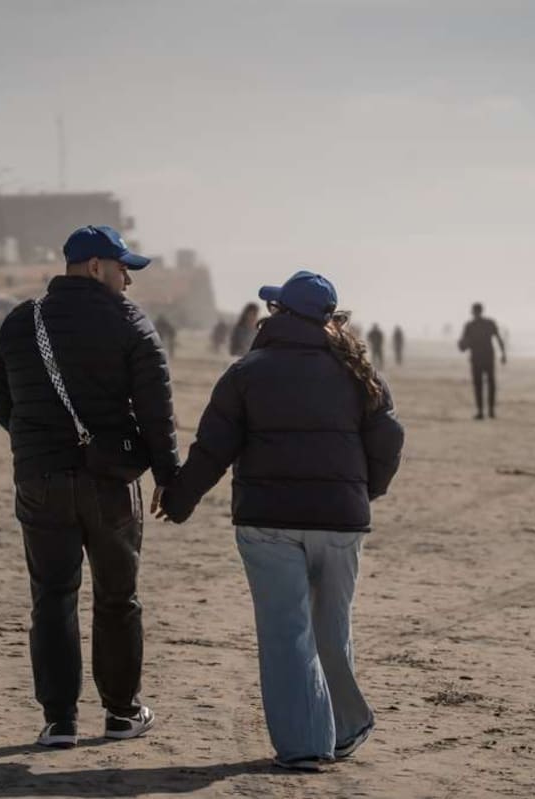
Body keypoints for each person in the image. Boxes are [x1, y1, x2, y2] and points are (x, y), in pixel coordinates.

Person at [158, 270, 404, 772]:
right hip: (340, 522)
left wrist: (180, 498)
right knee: (332, 631)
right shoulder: (359, 372)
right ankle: (345, 728)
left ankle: (307, 745)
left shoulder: (247, 372)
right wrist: (366, 491)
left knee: (286, 633)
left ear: (279, 314)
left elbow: (213, 448)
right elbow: (389, 440)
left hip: (268, 522)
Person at [0, 224, 179, 749]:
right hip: (109, 482)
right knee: (118, 597)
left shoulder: (22, 322)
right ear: (96, 267)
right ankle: (120, 714)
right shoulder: (128, 322)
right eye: (123, 270)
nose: (128, 282)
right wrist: (168, 474)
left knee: (52, 597)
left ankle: (59, 722)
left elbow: (2, 401)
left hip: (40, 479)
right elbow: (156, 407)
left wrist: (37, 447)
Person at [458, 302, 507, 420]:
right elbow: (498, 338)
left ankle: (482, 411)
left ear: (474, 311)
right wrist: (503, 354)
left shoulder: (471, 325)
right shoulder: (487, 323)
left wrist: (503, 353)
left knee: (480, 385)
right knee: (489, 384)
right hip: (486, 358)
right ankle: (489, 411)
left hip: (478, 359)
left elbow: (462, 346)